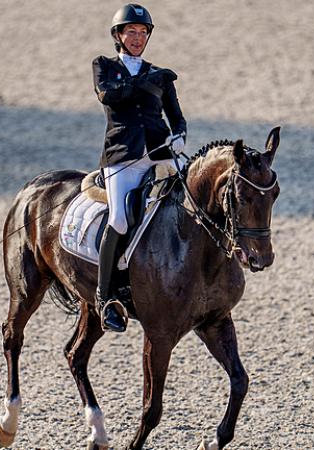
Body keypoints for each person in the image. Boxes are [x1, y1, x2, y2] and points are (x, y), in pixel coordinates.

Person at [92, 3, 187, 332]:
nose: (137, 37)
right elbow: (110, 96)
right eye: (130, 32)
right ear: (118, 36)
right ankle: (104, 298)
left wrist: (180, 137)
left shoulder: (158, 74)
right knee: (119, 218)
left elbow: (176, 116)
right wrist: (148, 82)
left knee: (192, 203)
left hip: (160, 154)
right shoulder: (104, 66)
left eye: (142, 32)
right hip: (123, 157)